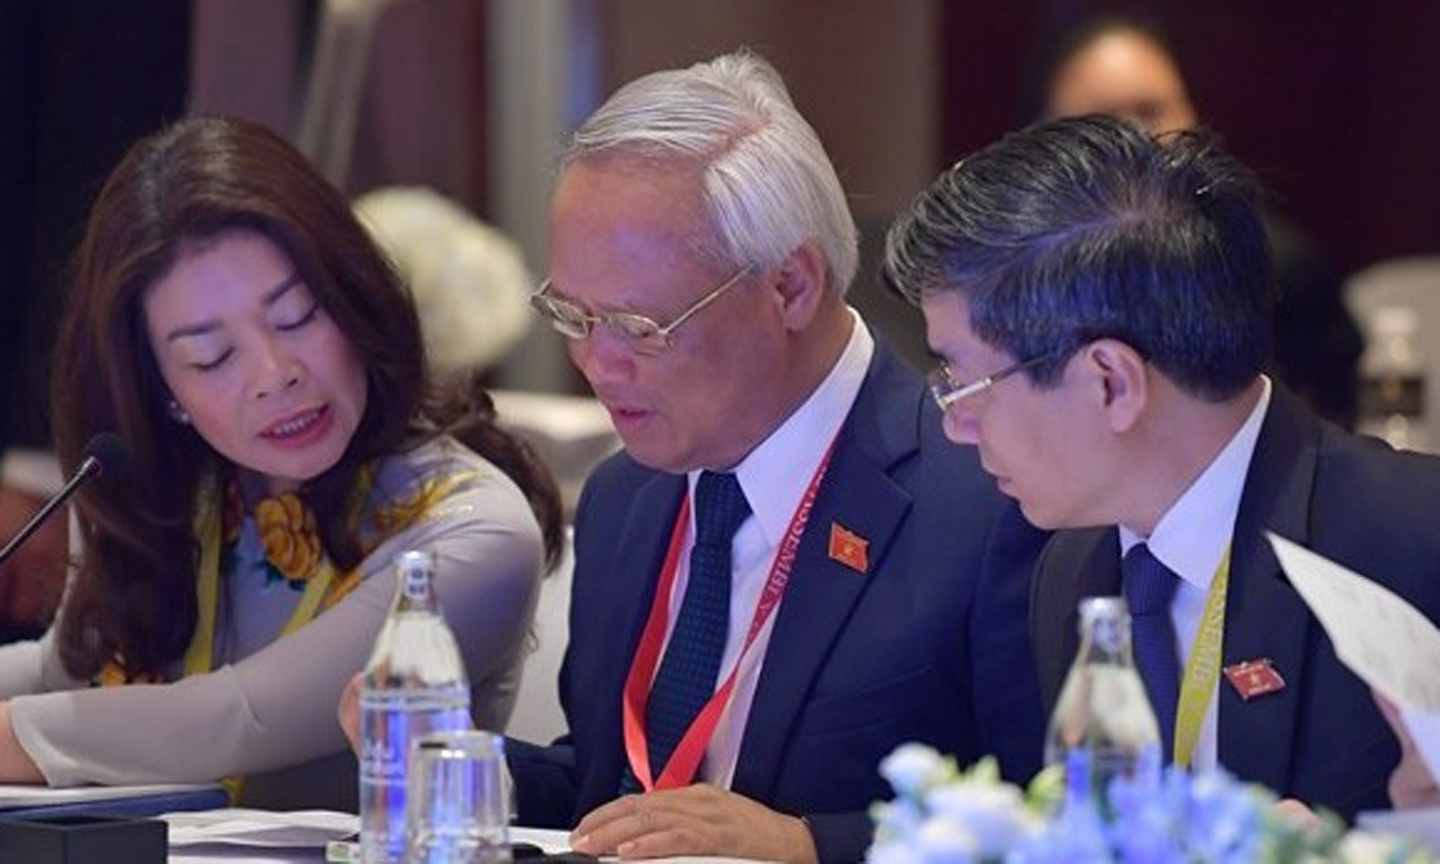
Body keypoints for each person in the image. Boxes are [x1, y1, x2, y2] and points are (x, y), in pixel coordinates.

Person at [513, 50, 1047, 862]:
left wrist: (811, 844)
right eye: (573, 316)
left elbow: (1053, 819)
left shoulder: (991, 495)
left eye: (636, 326)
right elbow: (611, 786)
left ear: (791, 286)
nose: (596, 364)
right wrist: (459, 763)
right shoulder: (627, 495)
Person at [883, 113, 1440, 820]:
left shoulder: (1414, 549)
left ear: (1111, 382)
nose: (954, 426)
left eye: (962, 385)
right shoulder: (1068, 568)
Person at [0, 115, 557, 809]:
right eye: (212, 357)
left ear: (354, 296)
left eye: (298, 317)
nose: (274, 373)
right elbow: (64, 671)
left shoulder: (471, 534)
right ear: (161, 388)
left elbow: (237, 719)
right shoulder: (170, 487)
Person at [1033, 14, 1365, 430]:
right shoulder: (1017, 282)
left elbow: (1327, 428)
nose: (1135, 135)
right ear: (1046, 138)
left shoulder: (1280, 267)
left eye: (1151, 110)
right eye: (1104, 118)